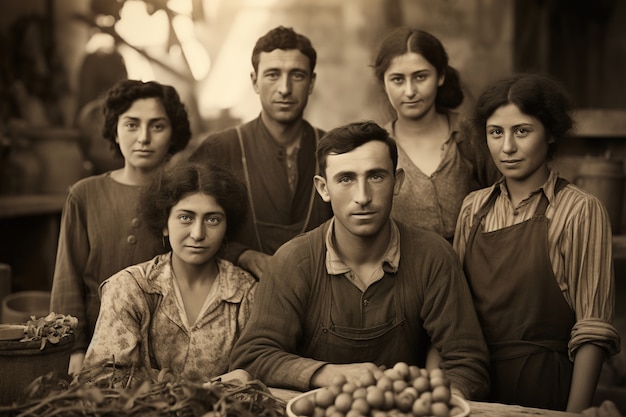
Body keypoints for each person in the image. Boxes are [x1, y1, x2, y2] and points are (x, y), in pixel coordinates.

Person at [228, 121, 490, 400]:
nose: (362, 197)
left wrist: (421, 401)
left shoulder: (433, 257)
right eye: (346, 179)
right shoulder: (293, 261)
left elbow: (469, 364)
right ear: (323, 188)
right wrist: (331, 374)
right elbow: (251, 357)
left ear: (397, 181)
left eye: (376, 177)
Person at [453, 73, 621, 412]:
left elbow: (592, 329)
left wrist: (573, 414)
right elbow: (454, 313)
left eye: (522, 131)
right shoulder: (473, 208)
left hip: (548, 388)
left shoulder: (579, 211)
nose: (507, 147)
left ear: (552, 133)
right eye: (496, 132)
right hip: (478, 389)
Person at [50, 79, 192, 376]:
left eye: (157, 126)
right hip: (94, 345)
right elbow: (68, 277)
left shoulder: (184, 197)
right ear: (115, 129)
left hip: (164, 348)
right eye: (131, 124)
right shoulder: (84, 194)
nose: (143, 137)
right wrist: (73, 347)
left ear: (172, 133)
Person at [79, 160, 255, 382]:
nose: (198, 234)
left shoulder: (244, 293)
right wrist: (208, 388)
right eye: (185, 218)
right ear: (164, 223)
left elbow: (253, 378)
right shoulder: (129, 288)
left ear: (226, 226)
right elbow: (101, 378)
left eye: (212, 219)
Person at [189, 26, 332, 279]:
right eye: (273, 75)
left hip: (320, 297)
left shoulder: (334, 150)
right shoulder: (220, 149)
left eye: (297, 75)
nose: (285, 88)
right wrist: (241, 255)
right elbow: (186, 226)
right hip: (238, 301)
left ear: (311, 83)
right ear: (254, 81)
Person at [372, 27, 499, 242]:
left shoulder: (470, 134)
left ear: (440, 75)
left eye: (420, 77)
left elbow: (505, 199)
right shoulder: (377, 147)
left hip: (474, 270)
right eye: (398, 80)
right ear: (383, 82)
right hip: (406, 272)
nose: (410, 91)